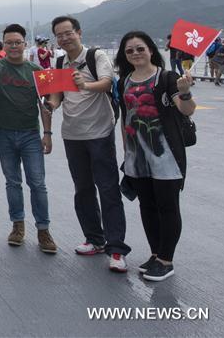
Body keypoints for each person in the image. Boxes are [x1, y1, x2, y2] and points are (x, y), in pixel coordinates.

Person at [46, 16, 130, 272]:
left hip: (99, 133)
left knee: (107, 189)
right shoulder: (59, 61)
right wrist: (50, 104)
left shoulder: (96, 56)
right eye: (59, 35)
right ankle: (94, 239)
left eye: (68, 33)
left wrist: (86, 84)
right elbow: (57, 95)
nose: (64, 38)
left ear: (79, 32)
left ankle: (116, 249)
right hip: (72, 135)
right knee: (82, 190)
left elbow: (107, 83)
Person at [114, 31, 196, 282]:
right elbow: (125, 116)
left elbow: (186, 110)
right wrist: (127, 150)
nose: (136, 54)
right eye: (130, 51)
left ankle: (166, 260)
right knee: (146, 206)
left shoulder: (167, 78)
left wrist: (184, 92)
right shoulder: (123, 81)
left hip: (165, 155)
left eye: (140, 48)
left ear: (151, 50)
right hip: (137, 155)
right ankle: (155, 253)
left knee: (167, 206)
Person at [0, 25, 58, 253]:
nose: (14, 46)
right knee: (12, 181)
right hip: (3, 132)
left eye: (18, 42)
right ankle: (18, 226)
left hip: (30, 135)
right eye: (9, 42)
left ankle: (43, 230)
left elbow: (45, 105)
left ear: (25, 44)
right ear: (3, 45)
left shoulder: (35, 70)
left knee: (37, 183)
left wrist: (47, 134)